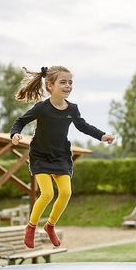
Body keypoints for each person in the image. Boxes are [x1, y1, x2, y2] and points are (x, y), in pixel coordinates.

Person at [10, 66, 115, 248]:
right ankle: (31, 227)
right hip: (41, 156)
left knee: (66, 193)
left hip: (60, 156)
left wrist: (102, 135)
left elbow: (83, 126)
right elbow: (20, 121)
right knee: (47, 193)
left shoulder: (72, 109)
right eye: (63, 82)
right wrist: (15, 134)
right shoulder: (42, 108)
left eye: (70, 82)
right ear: (50, 85)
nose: (68, 86)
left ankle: (50, 226)